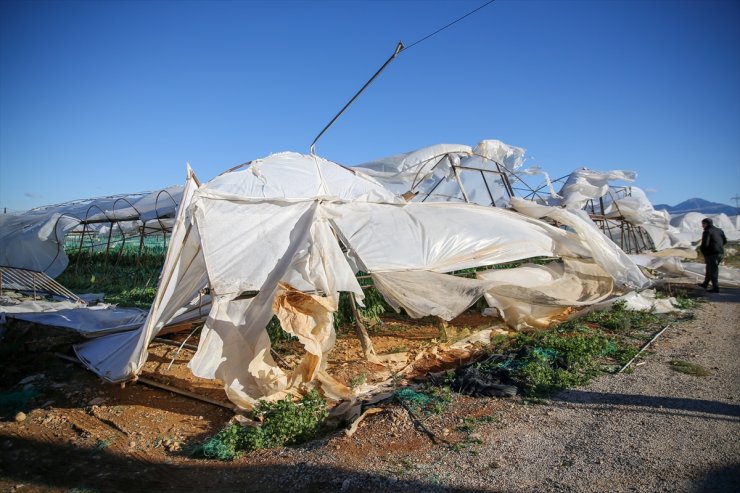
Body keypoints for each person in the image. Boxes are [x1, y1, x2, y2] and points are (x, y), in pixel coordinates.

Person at [698, 217, 727, 293]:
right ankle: (705, 284)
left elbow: (705, 244)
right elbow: (725, 241)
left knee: (713, 270)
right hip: (720, 252)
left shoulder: (707, 231)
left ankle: (716, 288)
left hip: (712, 253)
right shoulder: (720, 230)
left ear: (706, 224)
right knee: (709, 268)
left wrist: (704, 251)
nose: (702, 226)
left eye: (703, 224)